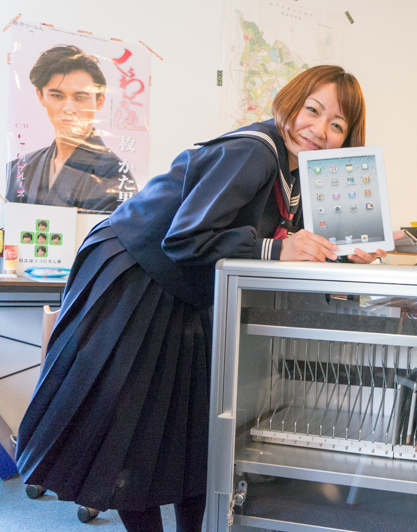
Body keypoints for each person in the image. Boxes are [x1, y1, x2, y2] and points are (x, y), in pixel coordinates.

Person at [16, 65, 381, 532]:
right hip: (136, 272)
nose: (319, 129)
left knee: (186, 436)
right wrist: (276, 249)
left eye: (337, 124)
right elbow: (186, 238)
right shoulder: (254, 150)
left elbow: (287, 240)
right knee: (130, 430)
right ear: (290, 103)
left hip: (184, 286)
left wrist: (341, 254)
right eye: (312, 109)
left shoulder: (295, 174)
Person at [5, 45, 137, 212]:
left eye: (80, 97)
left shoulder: (115, 176)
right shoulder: (20, 168)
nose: (68, 108)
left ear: (99, 102)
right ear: (41, 96)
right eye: (57, 96)